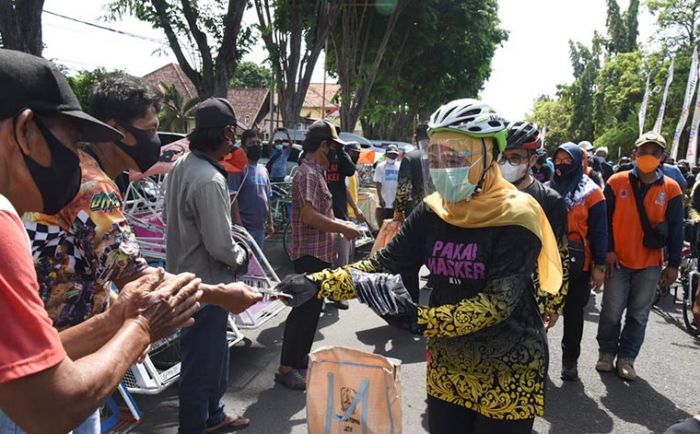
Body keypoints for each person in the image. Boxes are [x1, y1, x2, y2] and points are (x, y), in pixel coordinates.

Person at [278, 99, 563, 433]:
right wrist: (317, 283)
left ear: (489, 156)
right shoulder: (432, 212)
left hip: (509, 368)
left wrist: (420, 320)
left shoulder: (518, 215)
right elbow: (382, 265)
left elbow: (496, 304)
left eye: (456, 157)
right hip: (449, 364)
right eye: (438, 157)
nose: (444, 167)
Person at [0, 48, 203, 434]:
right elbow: (55, 408)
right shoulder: (3, 221)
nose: (74, 161)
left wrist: (113, 320)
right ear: (26, 131)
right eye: (71, 143)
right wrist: (140, 327)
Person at [164, 98, 264, 434]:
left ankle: (213, 415)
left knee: (211, 356)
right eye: (233, 134)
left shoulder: (182, 166)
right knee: (200, 365)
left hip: (186, 277)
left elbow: (169, 218)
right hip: (206, 284)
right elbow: (220, 245)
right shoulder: (210, 179)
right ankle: (195, 426)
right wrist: (242, 257)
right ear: (226, 132)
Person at [275, 120, 360, 390]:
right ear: (324, 145)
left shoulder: (317, 172)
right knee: (302, 311)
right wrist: (343, 227)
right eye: (334, 148)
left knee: (312, 311)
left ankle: (299, 360)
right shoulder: (308, 174)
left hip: (321, 253)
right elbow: (310, 216)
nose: (336, 154)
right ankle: (286, 367)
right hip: (309, 254)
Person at [596, 131, 683, 381]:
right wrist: (608, 251)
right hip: (618, 261)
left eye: (654, 153)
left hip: (650, 265)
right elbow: (605, 221)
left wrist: (674, 264)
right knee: (611, 311)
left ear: (662, 157)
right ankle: (606, 353)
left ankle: (627, 359)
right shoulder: (616, 181)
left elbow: (677, 229)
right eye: (644, 151)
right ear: (635, 153)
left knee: (638, 315)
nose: (648, 156)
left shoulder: (672, 189)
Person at [499, 121, 569, 333]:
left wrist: (555, 303)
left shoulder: (550, 200)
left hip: (531, 297)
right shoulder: (485, 195)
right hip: (488, 294)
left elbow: (559, 254)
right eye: (502, 157)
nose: (506, 164)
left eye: (515, 158)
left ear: (533, 159)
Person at [548, 143, 608, 381]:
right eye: (558, 160)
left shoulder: (593, 193)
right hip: (547, 261)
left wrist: (599, 266)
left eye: (567, 160)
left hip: (577, 265)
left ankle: (569, 361)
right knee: (538, 310)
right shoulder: (547, 188)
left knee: (573, 315)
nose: (562, 165)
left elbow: (600, 232)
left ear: (577, 161)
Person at [229, 129, 273, 249]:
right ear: (244, 147)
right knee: (244, 264)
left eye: (258, 143)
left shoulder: (263, 169)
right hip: (245, 229)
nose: (256, 146)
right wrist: (239, 224)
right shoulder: (238, 169)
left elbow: (267, 196)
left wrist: (270, 222)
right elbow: (233, 196)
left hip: (260, 228)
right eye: (252, 143)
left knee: (256, 264)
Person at [393, 123, 429, 222]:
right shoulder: (443, 156)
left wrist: (398, 213)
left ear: (415, 137)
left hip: (421, 212)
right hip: (445, 213)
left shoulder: (411, 158)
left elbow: (403, 189)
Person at [374, 144, 401, 223]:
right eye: (390, 154)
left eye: (394, 154)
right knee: (383, 223)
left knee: (395, 223)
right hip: (384, 202)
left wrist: (398, 199)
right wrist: (380, 198)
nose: (392, 156)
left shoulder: (400, 166)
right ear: (386, 154)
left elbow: (401, 184)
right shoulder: (380, 167)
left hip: (395, 201)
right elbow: (378, 183)